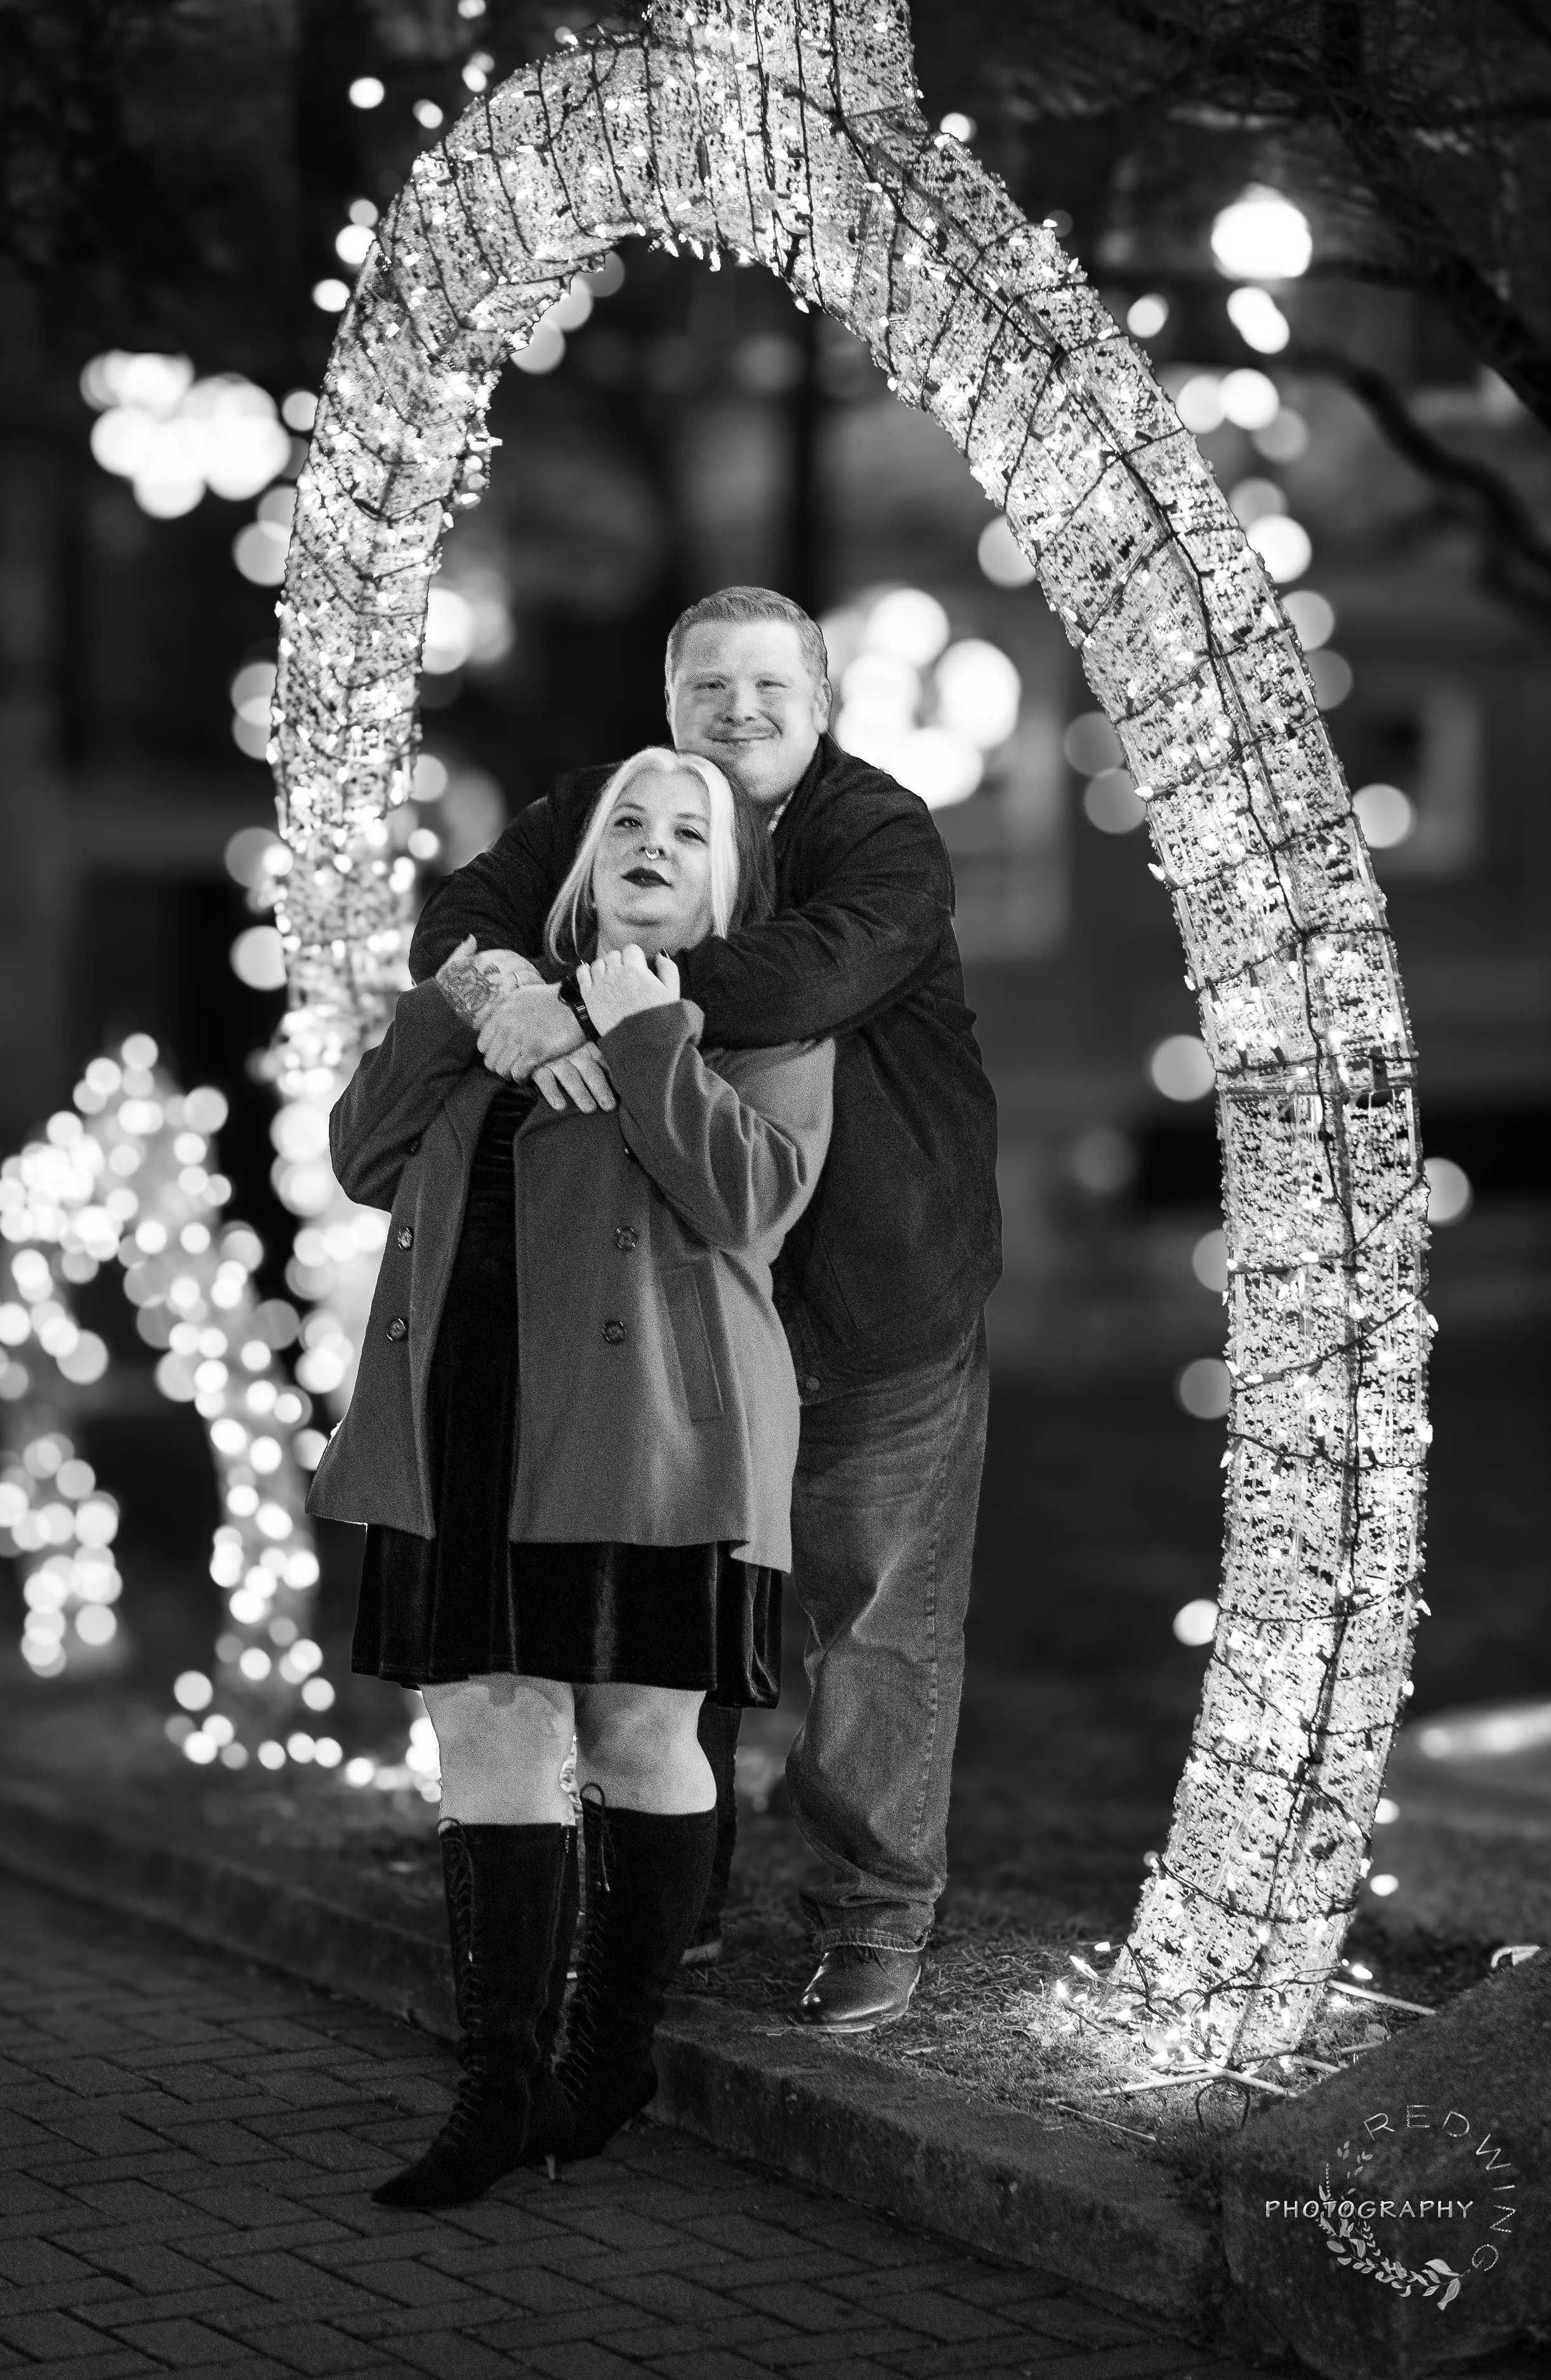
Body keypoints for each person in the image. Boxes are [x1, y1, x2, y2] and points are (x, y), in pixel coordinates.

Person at [407, 586, 1001, 2036]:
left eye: (766, 688)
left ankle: (872, 1915)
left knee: (870, 1625)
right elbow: (461, 913)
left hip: (870, 1294)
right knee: (681, 1623)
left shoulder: (877, 833)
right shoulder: (613, 808)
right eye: (706, 689)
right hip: (678, 1315)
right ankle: (675, 1909)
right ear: (670, 701)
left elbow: (821, 967)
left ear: (819, 700)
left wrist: (608, 994)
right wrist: (504, 985)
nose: (736, 714)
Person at [309, 745, 834, 2207]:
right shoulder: (510, 999)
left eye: (687, 833)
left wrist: (649, 1036)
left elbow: (747, 1202)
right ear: (586, 858)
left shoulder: (760, 1021)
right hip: (464, 1410)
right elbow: (362, 1155)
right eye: (626, 826)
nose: (650, 848)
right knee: (484, 1729)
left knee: (636, 1738)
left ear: (723, 880)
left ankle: (609, 2053)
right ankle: (496, 2086)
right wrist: (476, 1001)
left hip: (656, 1423)